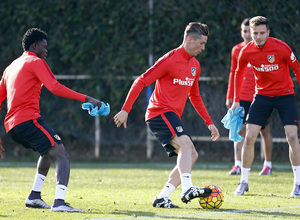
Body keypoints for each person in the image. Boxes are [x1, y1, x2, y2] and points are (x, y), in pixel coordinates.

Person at [114, 22, 220, 208]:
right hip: (159, 112)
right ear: (189, 39)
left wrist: (209, 122)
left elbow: (194, 96)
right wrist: (125, 109)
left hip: (171, 115)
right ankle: (187, 188)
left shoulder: (195, 65)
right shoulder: (170, 59)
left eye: (205, 44)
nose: (204, 48)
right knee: (186, 144)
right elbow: (141, 81)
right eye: (201, 43)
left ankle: (162, 197)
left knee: (191, 154)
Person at [0, 28, 105, 212]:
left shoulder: (11, 67)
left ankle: (34, 196)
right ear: (34, 46)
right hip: (28, 120)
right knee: (62, 156)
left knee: (47, 152)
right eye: (44, 46)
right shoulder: (35, 61)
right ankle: (59, 202)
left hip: (12, 126)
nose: (46, 50)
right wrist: (87, 98)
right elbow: (55, 87)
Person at [231, 16, 300, 197]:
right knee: (249, 136)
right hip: (262, 96)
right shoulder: (246, 51)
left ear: (268, 32)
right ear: (250, 33)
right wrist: (236, 99)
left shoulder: (281, 47)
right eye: (255, 33)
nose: (258, 37)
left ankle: (298, 183)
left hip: (285, 95)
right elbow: (238, 73)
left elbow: (297, 69)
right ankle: (244, 182)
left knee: (292, 136)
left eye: (262, 33)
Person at [226, 18, 273, 176]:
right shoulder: (236, 50)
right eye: (245, 31)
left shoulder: (263, 49)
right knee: (240, 129)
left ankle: (268, 164)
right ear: (242, 33)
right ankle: (237, 164)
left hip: (260, 96)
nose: (247, 34)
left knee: (264, 130)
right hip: (242, 96)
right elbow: (233, 73)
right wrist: (231, 96)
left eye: (249, 31)